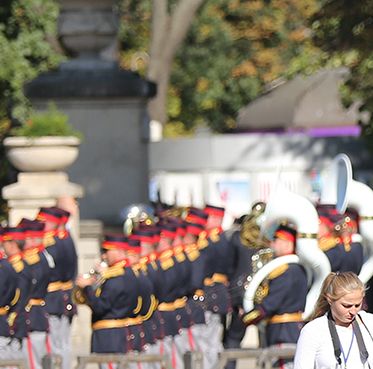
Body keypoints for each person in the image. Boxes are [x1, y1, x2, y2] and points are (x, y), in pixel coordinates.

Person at [294, 271, 373, 369]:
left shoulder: (370, 322)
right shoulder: (312, 331)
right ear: (330, 299)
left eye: (357, 305)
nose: (353, 311)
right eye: (347, 306)